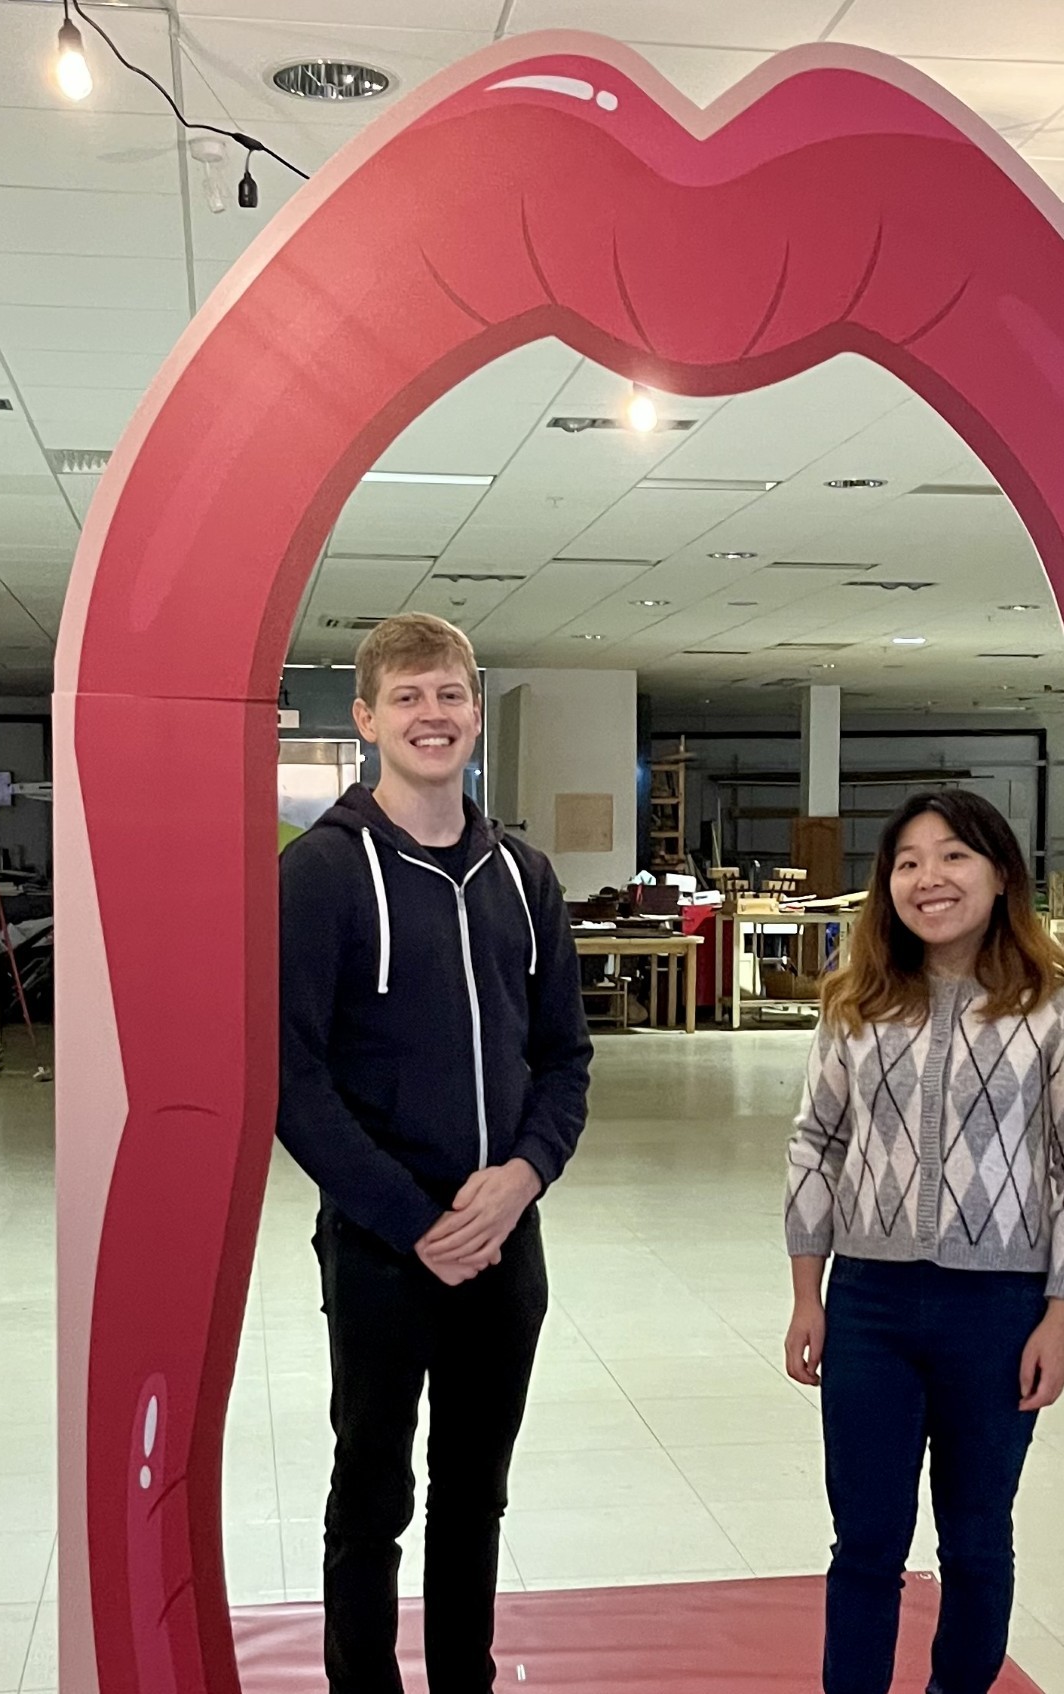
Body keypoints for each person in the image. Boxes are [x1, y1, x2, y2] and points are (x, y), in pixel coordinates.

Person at [278, 613, 593, 1694]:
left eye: (451, 693)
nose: (433, 714)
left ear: (474, 712)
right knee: (371, 1487)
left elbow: (565, 1058)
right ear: (365, 718)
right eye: (408, 696)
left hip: (508, 1243)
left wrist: (522, 1178)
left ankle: (465, 1676)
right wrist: (416, 1219)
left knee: (475, 1490)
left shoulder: (525, 877)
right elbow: (293, 1080)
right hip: (379, 1246)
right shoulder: (318, 874)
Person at [782, 790, 1064, 1694]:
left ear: (1001, 874)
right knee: (867, 1541)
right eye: (908, 862)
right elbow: (817, 1140)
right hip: (870, 1307)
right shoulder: (858, 1001)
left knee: (975, 1538)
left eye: (955, 856)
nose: (931, 879)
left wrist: (1061, 1317)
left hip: (999, 1310)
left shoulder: (1053, 1008)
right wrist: (809, 1295)